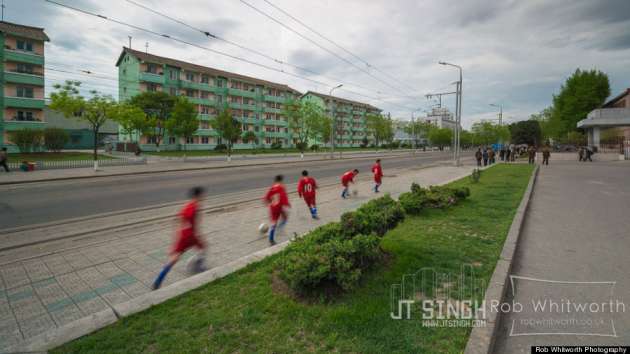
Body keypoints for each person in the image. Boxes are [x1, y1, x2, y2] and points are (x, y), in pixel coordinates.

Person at [153, 187, 206, 290]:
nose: (204, 196)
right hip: (190, 234)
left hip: (183, 234)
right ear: (198, 195)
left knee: (174, 258)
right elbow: (193, 224)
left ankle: (159, 280)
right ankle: (197, 267)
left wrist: (177, 235)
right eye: (202, 195)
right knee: (203, 247)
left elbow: (178, 219)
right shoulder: (194, 207)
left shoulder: (187, 205)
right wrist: (197, 235)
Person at [264, 175, 290, 245]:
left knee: (274, 222)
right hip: (279, 207)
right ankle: (278, 230)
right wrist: (287, 204)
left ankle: (271, 238)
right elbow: (283, 197)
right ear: (281, 180)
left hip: (272, 207)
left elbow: (267, 197)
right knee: (285, 218)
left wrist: (267, 202)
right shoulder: (282, 187)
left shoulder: (272, 187)